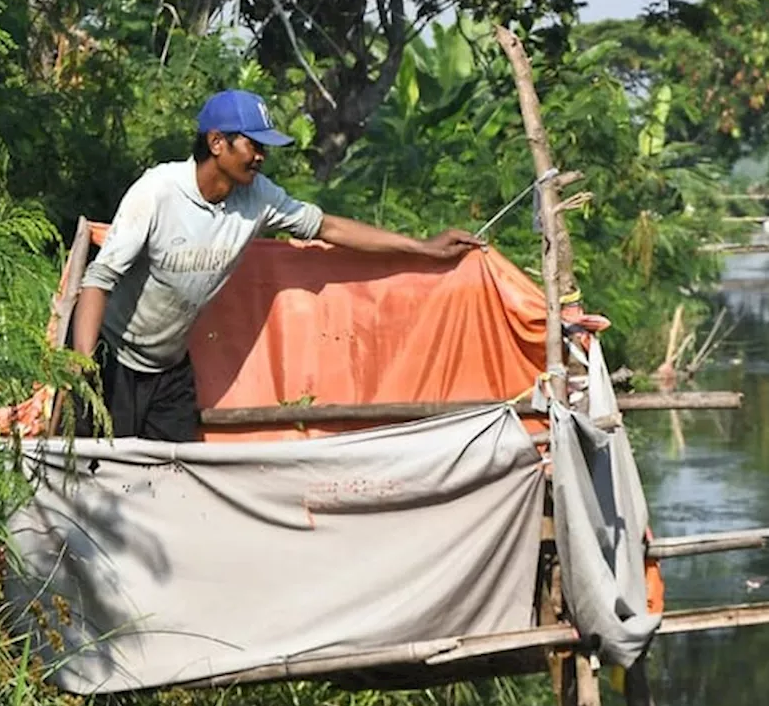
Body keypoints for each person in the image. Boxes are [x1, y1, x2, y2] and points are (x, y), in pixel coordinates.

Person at [69, 89, 481, 442]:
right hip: (112, 360)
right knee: (103, 473)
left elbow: (327, 226)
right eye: (254, 145)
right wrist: (85, 364)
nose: (262, 156)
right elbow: (100, 279)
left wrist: (422, 247)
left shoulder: (258, 197)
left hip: (171, 368)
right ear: (217, 143)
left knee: (171, 477)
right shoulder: (157, 193)